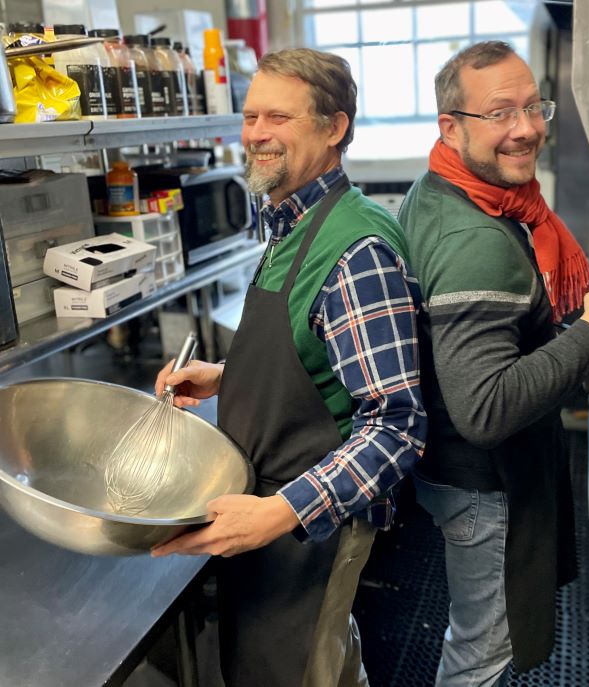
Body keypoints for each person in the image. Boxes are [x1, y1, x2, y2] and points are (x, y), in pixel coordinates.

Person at [151, 48, 426, 687]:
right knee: (313, 662)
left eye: (279, 117)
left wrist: (278, 513)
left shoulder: (357, 250)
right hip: (263, 501)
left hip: (309, 528)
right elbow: (317, 347)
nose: (256, 134)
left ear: (335, 128)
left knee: (297, 670)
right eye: (250, 117)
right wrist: (229, 373)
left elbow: (396, 427)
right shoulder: (289, 218)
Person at [397, 41, 589, 686]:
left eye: (535, 107)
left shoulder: (438, 189)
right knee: (480, 653)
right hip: (484, 482)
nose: (527, 128)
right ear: (451, 126)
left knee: (474, 630)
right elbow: (486, 408)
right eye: (500, 113)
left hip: (441, 463)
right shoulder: (480, 241)